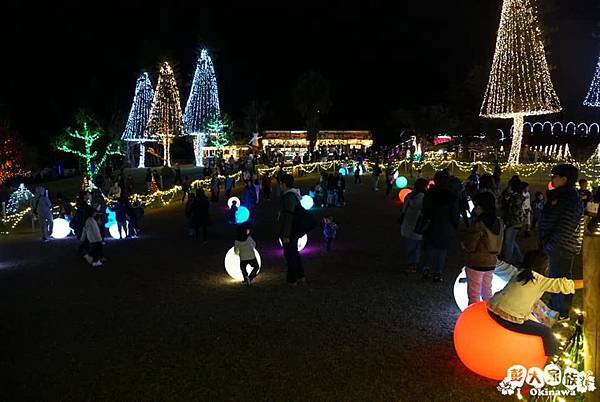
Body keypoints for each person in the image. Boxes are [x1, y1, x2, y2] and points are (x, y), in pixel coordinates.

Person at [487, 250, 583, 358]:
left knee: (536, 319)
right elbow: (564, 285)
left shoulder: (518, 272)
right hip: (509, 319)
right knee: (547, 332)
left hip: (492, 309)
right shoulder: (540, 281)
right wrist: (587, 282)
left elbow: (501, 266)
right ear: (544, 267)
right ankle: (550, 360)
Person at [538, 164, 584, 321]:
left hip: (562, 247)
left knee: (561, 279)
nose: (552, 178)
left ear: (564, 179)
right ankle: (555, 307)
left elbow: (566, 226)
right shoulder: (561, 196)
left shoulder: (571, 199)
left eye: (555, 176)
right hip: (556, 246)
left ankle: (561, 311)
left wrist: (551, 245)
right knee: (555, 278)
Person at [461, 192, 504, 305]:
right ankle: (488, 317)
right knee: (487, 293)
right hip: (491, 261)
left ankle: (473, 319)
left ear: (480, 206)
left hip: (476, 261)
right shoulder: (498, 222)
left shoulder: (479, 224)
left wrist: (464, 244)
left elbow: (470, 245)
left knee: (474, 295)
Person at [420, 170, 460, 282]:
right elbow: (455, 213)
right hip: (446, 226)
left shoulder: (429, 194)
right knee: (442, 250)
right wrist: (454, 224)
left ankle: (426, 268)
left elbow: (424, 209)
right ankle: (438, 272)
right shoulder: (451, 196)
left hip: (431, 224)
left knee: (429, 248)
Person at [277, 174, 305, 284]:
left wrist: (286, 235)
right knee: (293, 254)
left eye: (280, 183)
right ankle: (300, 276)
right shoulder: (292, 195)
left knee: (290, 255)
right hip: (293, 230)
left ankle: (292, 279)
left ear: (283, 184)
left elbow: (289, 216)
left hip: (291, 231)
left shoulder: (289, 197)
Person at [400, 178, 427, 273]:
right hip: (418, 224)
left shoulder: (409, 196)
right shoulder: (423, 197)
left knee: (410, 246)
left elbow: (403, 210)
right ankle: (415, 264)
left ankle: (411, 264)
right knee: (417, 246)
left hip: (407, 224)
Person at [501, 179, 525, 265]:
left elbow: (513, 210)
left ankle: (508, 262)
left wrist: (509, 201)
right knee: (512, 241)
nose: (508, 186)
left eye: (509, 185)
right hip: (515, 222)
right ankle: (520, 258)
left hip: (513, 222)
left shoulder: (516, 197)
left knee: (508, 242)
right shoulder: (515, 196)